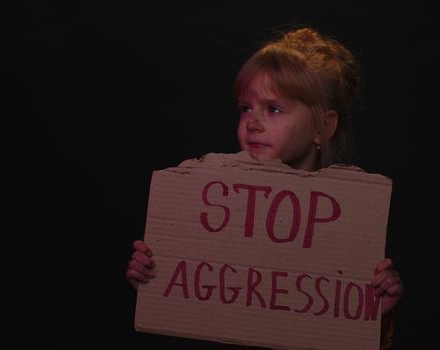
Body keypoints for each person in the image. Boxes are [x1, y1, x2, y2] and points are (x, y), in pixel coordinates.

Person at [126, 27, 404, 349]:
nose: (252, 122)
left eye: (273, 109)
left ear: (323, 127)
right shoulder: (213, 211)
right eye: (245, 107)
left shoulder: (349, 228)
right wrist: (155, 277)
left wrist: (378, 314)